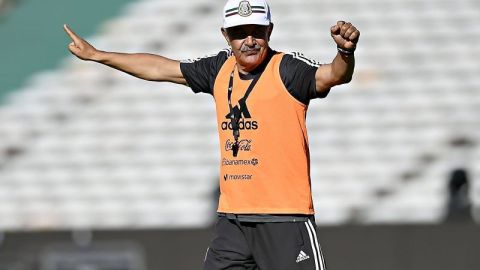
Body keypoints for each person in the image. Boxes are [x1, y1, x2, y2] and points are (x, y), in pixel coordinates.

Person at [64, 0, 360, 269]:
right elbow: (160, 68)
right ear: (225, 35)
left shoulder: (287, 68)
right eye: (239, 33)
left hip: (285, 218)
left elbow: (333, 75)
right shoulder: (220, 68)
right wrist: (98, 55)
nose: (249, 40)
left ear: (270, 31)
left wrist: (344, 52)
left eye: (256, 31)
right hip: (233, 220)